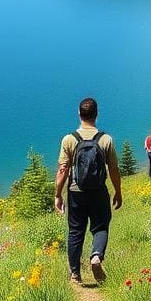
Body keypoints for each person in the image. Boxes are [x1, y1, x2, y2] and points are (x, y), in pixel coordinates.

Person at [54, 97, 122, 284]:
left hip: (76, 192)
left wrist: (58, 194)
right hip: (99, 191)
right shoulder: (105, 139)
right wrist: (118, 191)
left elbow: (62, 170)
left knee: (75, 231)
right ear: (96, 114)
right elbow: (114, 170)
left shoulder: (69, 139)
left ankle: (75, 274)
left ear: (79, 114)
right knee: (100, 226)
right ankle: (96, 256)